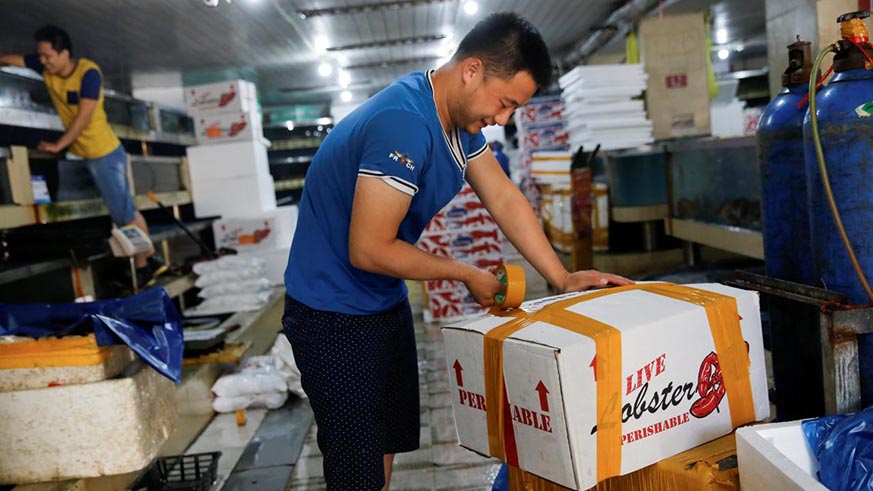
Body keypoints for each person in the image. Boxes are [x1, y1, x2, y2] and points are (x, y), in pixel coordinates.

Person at [282, 12, 632, 491]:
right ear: (472, 70)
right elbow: (368, 248)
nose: (502, 119)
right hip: (332, 313)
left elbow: (505, 197)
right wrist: (465, 272)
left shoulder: (457, 123)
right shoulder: (403, 125)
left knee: (384, 444)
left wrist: (563, 276)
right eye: (505, 103)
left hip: (380, 301)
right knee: (355, 469)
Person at [0, 25, 162, 285]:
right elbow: (15, 60)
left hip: (104, 153)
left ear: (65, 53)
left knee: (124, 214)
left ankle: (145, 263)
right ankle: (148, 259)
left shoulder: (88, 74)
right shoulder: (45, 67)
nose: (42, 61)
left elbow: (84, 117)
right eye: (40, 56)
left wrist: (58, 145)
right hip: (83, 154)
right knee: (121, 211)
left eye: (48, 56)